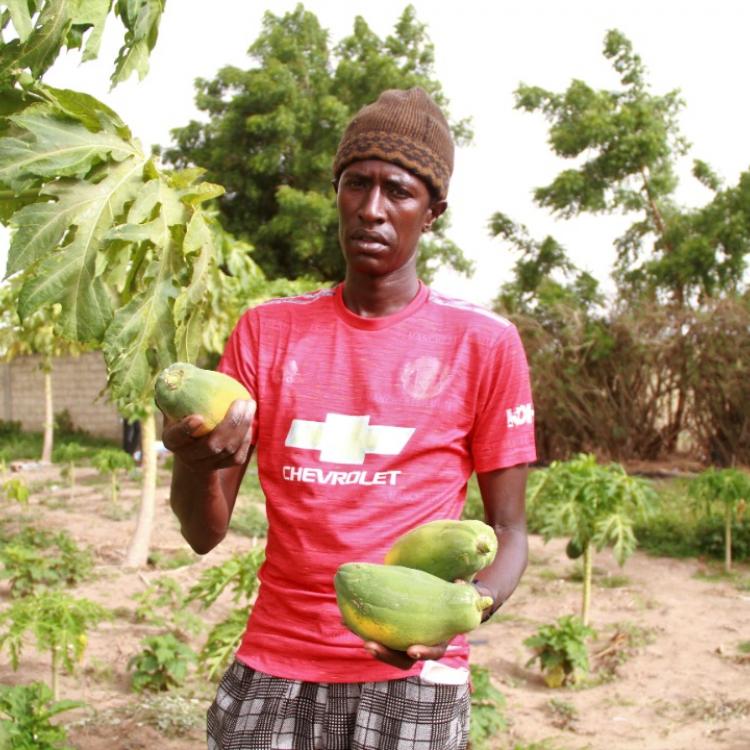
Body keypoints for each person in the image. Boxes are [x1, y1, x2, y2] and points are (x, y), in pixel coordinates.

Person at [164, 87, 537, 750]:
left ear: (434, 211)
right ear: (335, 191)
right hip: (276, 663)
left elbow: (509, 529)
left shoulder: (483, 343)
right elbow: (202, 533)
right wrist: (196, 464)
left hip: (413, 673)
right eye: (355, 184)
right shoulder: (265, 332)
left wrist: (465, 610)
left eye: (398, 190)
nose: (371, 209)